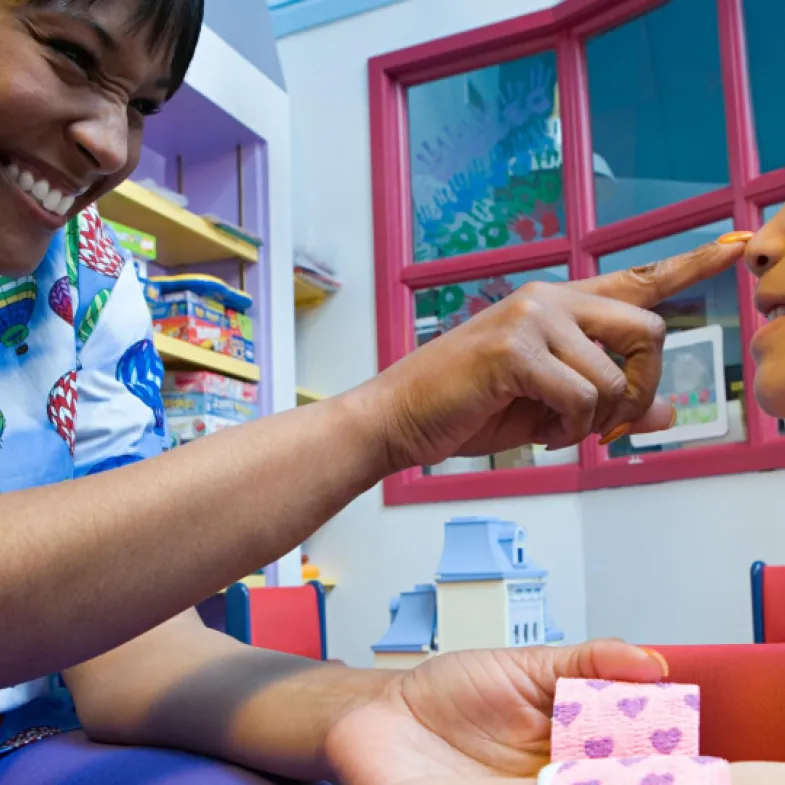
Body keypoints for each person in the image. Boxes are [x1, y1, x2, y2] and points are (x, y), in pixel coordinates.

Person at [0, 1, 780, 783]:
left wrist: (383, 705)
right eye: (68, 53)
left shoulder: (91, 277)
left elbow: (125, 646)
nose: (107, 144)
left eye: (141, 107)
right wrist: (385, 420)